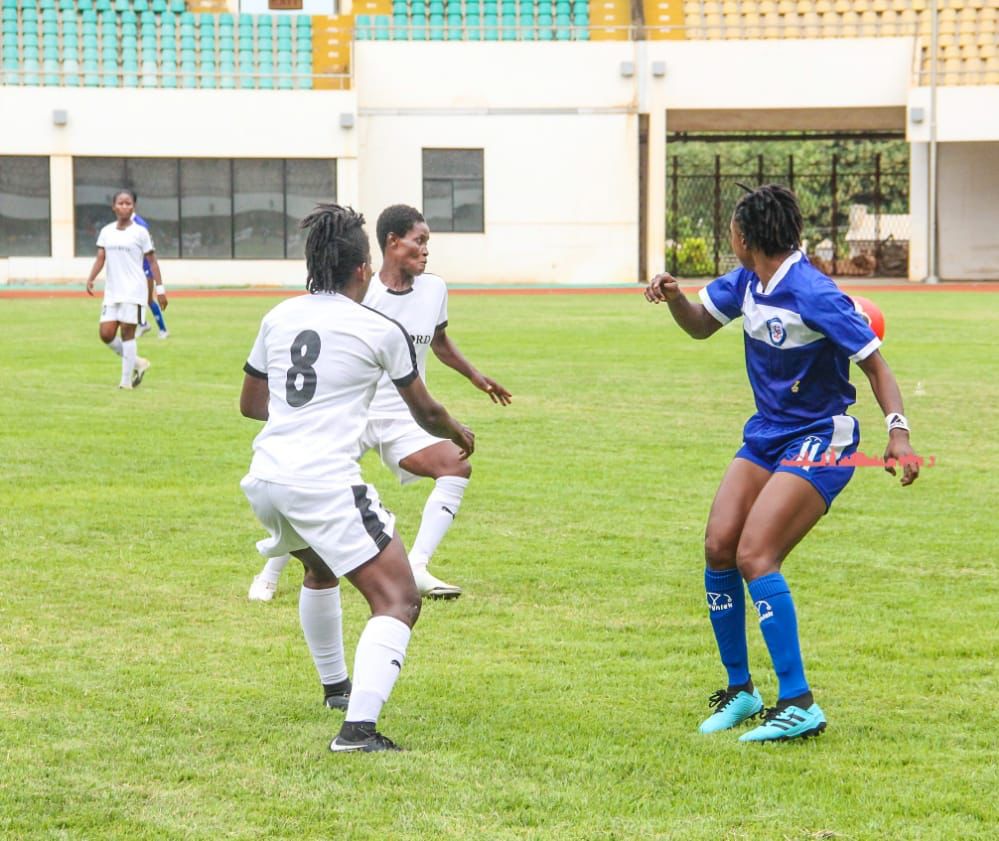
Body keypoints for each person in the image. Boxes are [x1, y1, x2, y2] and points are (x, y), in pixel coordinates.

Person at [644, 184, 920, 742]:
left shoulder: (815, 293)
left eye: (732, 232)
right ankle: (742, 691)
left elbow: (876, 367)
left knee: (755, 553)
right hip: (768, 433)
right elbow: (700, 323)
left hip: (822, 437)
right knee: (719, 543)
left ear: (745, 237)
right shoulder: (747, 281)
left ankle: (799, 702)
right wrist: (675, 296)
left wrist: (898, 433)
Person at [239, 203, 474, 752]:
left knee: (319, 569)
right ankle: (357, 731)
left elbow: (252, 403)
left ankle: (336, 689)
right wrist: (458, 432)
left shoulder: (278, 316)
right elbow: (425, 411)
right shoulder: (379, 327)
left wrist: (305, 412)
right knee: (399, 599)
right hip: (322, 481)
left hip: (267, 477)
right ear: (363, 268)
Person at [248, 204, 510, 603]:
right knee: (309, 483)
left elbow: (438, 341)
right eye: (419, 241)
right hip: (352, 410)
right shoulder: (357, 295)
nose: (426, 250)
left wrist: (475, 376)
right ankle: (271, 570)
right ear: (390, 243)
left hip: (403, 417)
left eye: (428, 243)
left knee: (455, 465)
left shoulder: (434, 289)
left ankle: (418, 565)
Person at [85, 189, 167, 390]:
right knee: (105, 334)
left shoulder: (140, 232)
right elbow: (101, 257)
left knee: (127, 333)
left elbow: (152, 261)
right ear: (113, 207)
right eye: (120, 203)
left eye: (128, 203)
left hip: (134, 291)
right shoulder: (106, 231)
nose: (124, 206)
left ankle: (125, 382)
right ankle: (138, 362)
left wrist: (161, 289)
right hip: (112, 292)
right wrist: (91, 277)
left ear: (133, 207)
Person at [132, 202, 170, 340]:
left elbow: (147, 249)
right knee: (133, 298)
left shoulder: (139, 224)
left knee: (148, 299)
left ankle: (163, 329)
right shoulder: (124, 224)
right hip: (134, 267)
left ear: (133, 206)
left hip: (145, 266)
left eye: (127, 203)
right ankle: (142, 324)